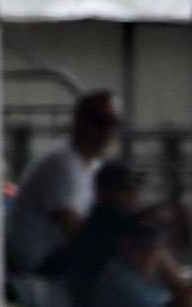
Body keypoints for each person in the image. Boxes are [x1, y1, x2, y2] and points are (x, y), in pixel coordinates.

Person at [9, 89, 120, 273]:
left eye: (113, 123)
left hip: (58, 260)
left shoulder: (93, 167)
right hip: (39, 266)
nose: (108, 131)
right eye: (100, 122)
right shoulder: (62, 165)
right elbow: (76, 232)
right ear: (79, 122)